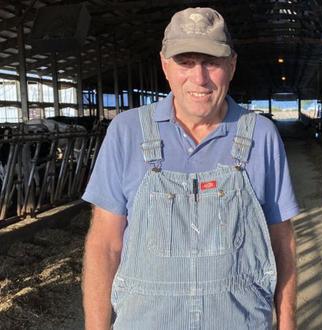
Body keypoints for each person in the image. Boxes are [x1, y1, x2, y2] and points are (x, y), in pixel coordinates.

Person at [81, 7, 299, 329]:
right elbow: (104, 244)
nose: (200, 78)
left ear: (232, 65)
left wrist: (287, 323)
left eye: (212, 62)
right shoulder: (127, 133)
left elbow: (282, 240)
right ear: (165, 65)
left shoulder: (261, 136)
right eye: (186, 62)